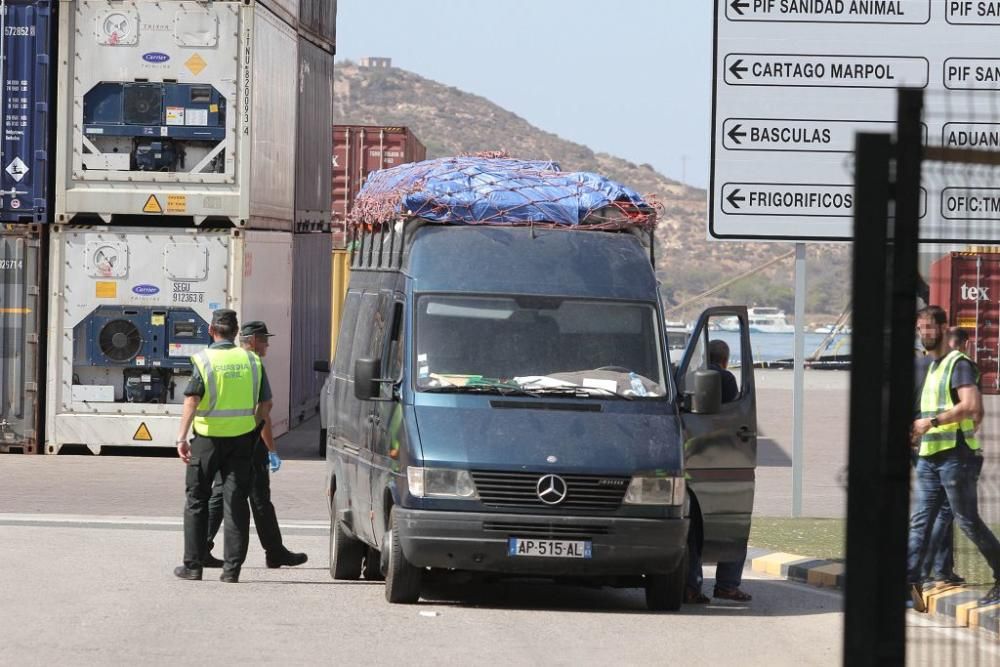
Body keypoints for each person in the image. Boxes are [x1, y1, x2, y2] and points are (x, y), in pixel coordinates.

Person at [907, 306, 1000, 611]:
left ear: (944, 328)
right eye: (920, 328)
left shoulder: (958, 363)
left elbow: (971, 405)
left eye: (929, 328)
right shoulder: (931, 366)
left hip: (956, 458)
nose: (924, 333)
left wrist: (930, 423)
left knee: (967, 521)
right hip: (930, 456)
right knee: (920, 520)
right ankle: (909, 582)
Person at [173, 309, 270, 584]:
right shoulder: (251, 360)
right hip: (242, 441)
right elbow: (266, 404)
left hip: (207, 441)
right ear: (236, 332)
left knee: (196, 501)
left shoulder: (204, 360)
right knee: (236, 503)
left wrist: (181, 437)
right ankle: (231, 571)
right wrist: (255, 429)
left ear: (211, 331)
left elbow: (192, 399)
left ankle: (193, 566)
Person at [202, 321, 308, 569]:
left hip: (223, 438)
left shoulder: (228, 361)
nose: (268, 344)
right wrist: (271, 449)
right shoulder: (253, 364)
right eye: (264, 339)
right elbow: (264, 411)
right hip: (250, 441)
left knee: (220, 494)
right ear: (252, 340)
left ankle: (202, 546)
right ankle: (274, 551)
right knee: (259, 498)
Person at [685, 339, 752, 603]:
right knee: (733, 522)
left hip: (694, 459)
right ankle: (726, 585)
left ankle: (692, 585)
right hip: (722, 461)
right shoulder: (725, 378)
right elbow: (735, 418)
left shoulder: (689, 379)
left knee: (694, 527)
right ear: (725, 359)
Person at [920, 327, 981, 586]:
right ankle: (931, 571)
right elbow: (973, 410)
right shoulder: (959, 366)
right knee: (953, 516)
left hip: (925, 448)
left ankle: (937, 571)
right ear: (964, 344)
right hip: (951, 451)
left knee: (928, 516)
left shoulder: (931, 367)